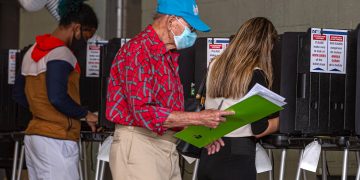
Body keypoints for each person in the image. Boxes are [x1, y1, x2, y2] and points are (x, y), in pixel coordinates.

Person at [105, 0, 234, 179]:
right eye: (191, 28)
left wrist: (199, 134)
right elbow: (144, 112)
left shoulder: (168, 56)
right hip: (140, 146)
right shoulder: (138, 51)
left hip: (165, 147)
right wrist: (199, 118)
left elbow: (168, 113)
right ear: (172, 21)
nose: (192, 35)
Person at [12, 0, 99, 179]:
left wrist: (42, 112)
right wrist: (85, 114)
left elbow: (18, 94)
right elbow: (57, 98)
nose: (85, 43)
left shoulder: (31, 51)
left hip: (35, 137)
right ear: (76, 28)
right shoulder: (62, 54)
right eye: (86, 36)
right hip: (57, 139)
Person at [197, 17, 280, 180]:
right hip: (237, 154)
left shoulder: (214, 65)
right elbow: (259, 129)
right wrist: (282, 120)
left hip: (210, 149)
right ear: (264, 46)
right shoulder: (255, 73)